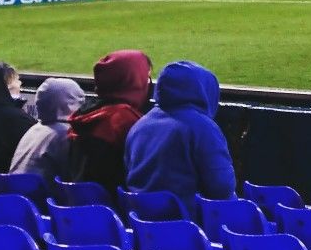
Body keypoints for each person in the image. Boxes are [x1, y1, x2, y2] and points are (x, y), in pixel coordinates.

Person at [124, 61, 236, 205]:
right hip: (188, 221)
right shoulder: (202, 127)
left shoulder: (139, 125)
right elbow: (222, 187)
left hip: (139, 216)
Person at [67, 50, 152, 190]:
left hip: (80, 203)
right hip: (112, 205)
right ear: (132, 80)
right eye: (146, 76)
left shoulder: (84, 113)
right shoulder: (122, 119)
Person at [12, 76, 82, 180]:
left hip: (12, 191)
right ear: (70, 103)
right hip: (37, 194)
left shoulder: (33, 129)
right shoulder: (65, 134)